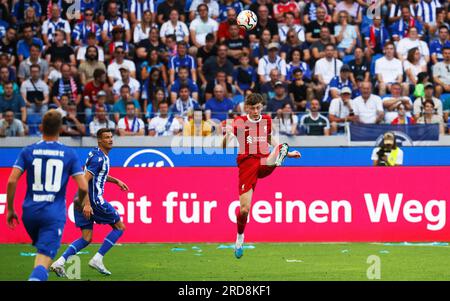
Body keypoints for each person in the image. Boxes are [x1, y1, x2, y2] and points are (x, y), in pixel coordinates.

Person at [6, 110, 88, 281]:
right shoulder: (69, 153)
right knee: (44, 261)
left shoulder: (28, 151)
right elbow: (83, 186)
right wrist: (80, 202)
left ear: (41, 127)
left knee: (41, 254)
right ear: (60, 129)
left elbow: (12, 181)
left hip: (29, 213)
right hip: (52, 214)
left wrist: (11, 209)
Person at [222, 93, 301, 258]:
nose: (256, 111)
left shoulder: (267, 120)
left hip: (264, 161)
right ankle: (240, 238)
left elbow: (271, 138)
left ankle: (281, 156)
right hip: (247, 166)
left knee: (282, 146)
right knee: (244, 210)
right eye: (252, 108)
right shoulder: (239, 122)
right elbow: (223, 147)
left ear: (261, 107)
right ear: (247, 108)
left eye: (258, 107)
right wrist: (227, 134)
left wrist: (290, 153)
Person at [51, 128, 129, 277]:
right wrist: (87, 204)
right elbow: (84, 181)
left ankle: (59, 262)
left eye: (111, 137)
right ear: (100, 140)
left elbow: (98, 174)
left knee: (86, 238)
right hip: (93, 201)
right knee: (119, 227)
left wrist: (116, 181)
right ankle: (97, 259)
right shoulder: (99, 158)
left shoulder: (96, 154)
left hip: (79, 199)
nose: (110, 139)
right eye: (106, 137)